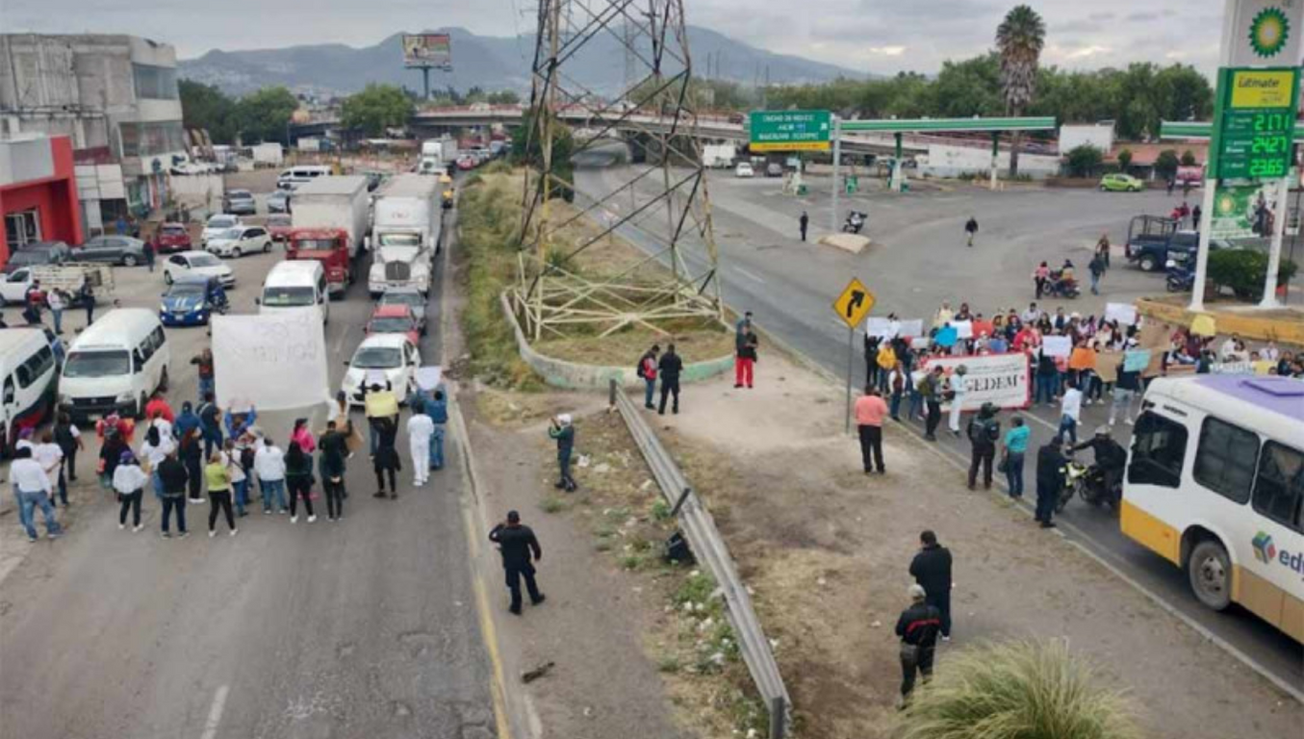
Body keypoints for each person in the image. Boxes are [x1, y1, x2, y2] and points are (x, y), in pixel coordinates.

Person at [489, 510, 545, 615]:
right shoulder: (526, 531)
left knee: (514, 585)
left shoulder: (503, 534)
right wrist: (537, 556)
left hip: (510, 563)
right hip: (524, 561)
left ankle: (516, 606)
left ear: (508, 521)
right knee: (530, 579)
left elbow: (491, 536)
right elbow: (535, 546)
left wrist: (500, 525)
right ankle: (535, 597)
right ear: (519, 520)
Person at [895, 583, 941, 703]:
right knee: (927, 676)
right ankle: (929, 702)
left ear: (912, 597)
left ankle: (908, 704)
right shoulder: (935, 612)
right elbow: (938, 628)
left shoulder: (908, 614)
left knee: (909, 678)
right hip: (928, 649)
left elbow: (899, 631)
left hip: (910, 649)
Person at [10, 447, 62, 542]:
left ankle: (32, 535)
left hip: (25, 492)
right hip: (38, 491)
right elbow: (43, 479)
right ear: (29, 454)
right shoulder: (36, 465)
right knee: (47, 511)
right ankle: (52, 531)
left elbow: (13, 480)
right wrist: (49, 490)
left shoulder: (14, 465)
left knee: (28, 515)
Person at [909, 530, 953, 641]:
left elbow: (913, 570)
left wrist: (920, 554)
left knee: (928, 613)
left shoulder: (921, 558)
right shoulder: (945, 553)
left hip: (928, 590)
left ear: (923, 542)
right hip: (944, 588)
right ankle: (945, 633)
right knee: (944, 610)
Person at [1072, 426, 1127, 503]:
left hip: (1112, 467)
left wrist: (1106, 461)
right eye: (1098, 435)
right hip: (1101, 464)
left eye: (1101, 435)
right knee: (1089, 474)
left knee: (1108, 486)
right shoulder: (1095, 441)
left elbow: (1116, 459)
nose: (1098, 437)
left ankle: (1111, 500)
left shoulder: (1113, 445)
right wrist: (1073, 448)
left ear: (1107, 436)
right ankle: (1093, 491)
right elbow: (1085, 444)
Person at [319, 420, 350, 521]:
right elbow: (342, 467)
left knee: (329, 497)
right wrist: (338, 476)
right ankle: (339, 515)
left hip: (328, 479)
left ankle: (331, 516)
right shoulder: (339, 455)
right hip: (338, 476)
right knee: (338, 496)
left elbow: (322, 470)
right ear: (335, 426)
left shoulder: (323, 456)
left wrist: (329, 478)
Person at [966, 402, 1000, 491]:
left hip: (976, 444)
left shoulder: (974, 418)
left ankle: (971, 483)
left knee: (975, 464)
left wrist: (973, 440)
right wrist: (997, 427)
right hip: (987, 445)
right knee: (988, 465)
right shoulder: (992, 423)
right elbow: (995, 436)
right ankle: (987, 483)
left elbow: (968, 431)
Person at [1035, 435, 1068, 528]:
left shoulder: (1042, 450)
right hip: (1051, 482)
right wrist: (1063, 482)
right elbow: (1061, 472)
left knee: (1040, 498)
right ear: (1060, 445)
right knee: (1049, 501)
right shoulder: (1059, 458)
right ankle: (1045, 520)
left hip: (1040, 477)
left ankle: (1038, 515)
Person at [854, 386, 888, 474]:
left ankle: (867, 466)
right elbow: (885, 411)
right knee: (877, 447)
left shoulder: (859, 400)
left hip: (863, 426)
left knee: (865, 447)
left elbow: (856, 413)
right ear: (873, 391)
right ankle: (880, 467)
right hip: (875, 426)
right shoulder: (878, 400)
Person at [113, 451, 148, 533]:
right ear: (130, 459)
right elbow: (143, 479)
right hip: (135, 491)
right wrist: (147, 474)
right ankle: (136, 525)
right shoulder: (135, 468)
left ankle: (122, 523)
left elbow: (115, 481)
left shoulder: (118, 468)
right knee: (136, 507)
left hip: (123, 491)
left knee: (125, 506)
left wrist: (118, 490)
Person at [156, 449, 189, 538]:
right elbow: (185, 477)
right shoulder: (179, 465)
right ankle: (181, 531)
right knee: (180, 512)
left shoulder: (160, 465)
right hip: (178, 490)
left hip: (166, 491)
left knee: (166, 512)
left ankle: (165, 530)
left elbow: (161, 477)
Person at [205, 452, 238, 537]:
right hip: (222, 489)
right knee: (227, 510)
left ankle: (211, 529)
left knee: (214, 510)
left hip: (212, 489)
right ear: (219, 459)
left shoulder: (207, 468)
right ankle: (232, 528)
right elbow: (228, 479)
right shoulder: (221, 468)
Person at [138, 425, 174, 501]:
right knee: (167, 479)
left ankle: (161, 495)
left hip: (153, 466)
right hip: (165, 463)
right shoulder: (164, 439)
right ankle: (168, 492)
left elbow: (142, 454)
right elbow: (172, 448)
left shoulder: (146, 444)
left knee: (157, 482)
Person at [363, 382, 400, 456]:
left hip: (374, 419)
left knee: (373, 437)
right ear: (379, 389)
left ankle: (373, 453)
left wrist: (363, 383)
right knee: (384, 436)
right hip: (383, 419)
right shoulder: (383, 397)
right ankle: (385, 450)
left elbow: (363, 392)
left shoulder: (370, 398)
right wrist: (389, 384)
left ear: (372, 390)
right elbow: (390, 395)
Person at [285, 440, 316, 523]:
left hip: (291, 478)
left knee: (292, 497)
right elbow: (309, 468)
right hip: (303, 478)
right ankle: (310, 515)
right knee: (306, 497)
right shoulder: (306, 457)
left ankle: (293, 516)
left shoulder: (286, 457)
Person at [33, 430, 66, 508]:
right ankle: (64, 500)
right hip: (56, 469)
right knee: (61, 484)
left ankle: (52, 503)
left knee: (48, 487)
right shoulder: (55, 447)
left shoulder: (38, 448)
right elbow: (59, 458)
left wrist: (43, 467)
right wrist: (52, 467)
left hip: (43, 470)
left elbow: (36, 459)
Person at [254, 438, 287, 514]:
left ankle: (267, 508)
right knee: (279, 490)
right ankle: (282, 507)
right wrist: (284, 470)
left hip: (265, 475)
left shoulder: (259, 451)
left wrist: (258, 472)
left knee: (266, 491)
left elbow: (256, 463)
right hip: (277, 474)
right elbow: (282, 462)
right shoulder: (277, 450)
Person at [372, 417, 401, 499]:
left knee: (379, 472)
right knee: (391, 472)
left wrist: (374, 416)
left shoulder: (382, 430)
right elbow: (397, 420)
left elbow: (373, 423)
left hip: (381, 452)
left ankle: (382, 490)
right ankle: (393, 491)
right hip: (391, 452)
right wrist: (397, 413)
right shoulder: (394, 429)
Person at [407, 400, 435, 486]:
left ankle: (418, 477)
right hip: (425, 440)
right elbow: (431, 430)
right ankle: (425, 475)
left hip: (415, 440)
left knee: (416, 458)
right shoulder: (429, 419)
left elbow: (408, 430)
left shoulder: (412, 420)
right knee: (425, 457)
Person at [1001, 416, 1030, 499]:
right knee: (1019, 474)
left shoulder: (1012, 432)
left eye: (1012, 422)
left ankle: (1012, 492)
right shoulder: (1026, 429)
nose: (1010, 424)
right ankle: (1019, 491)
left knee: (1010, 474)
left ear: (1015, 424)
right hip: (1021, 453)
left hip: (1012, 454)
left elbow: (1005, 445)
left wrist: (1003, 454)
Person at [548, 414, 578, 492]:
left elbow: (553, 435)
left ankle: (572, 484)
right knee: (562, 467)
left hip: (565, 451)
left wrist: (550, 427)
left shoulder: (566, 431)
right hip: (565, 450)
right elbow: (559, 430)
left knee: (564, 468)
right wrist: (555, 423)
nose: (560, 422)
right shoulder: (569, 428)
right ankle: (563, 482)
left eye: (561, 421)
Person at [220, 439, 249, 518]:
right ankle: (241, 510)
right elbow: (245, 463)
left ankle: (230, 511)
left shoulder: (220, 454)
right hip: (238, 475)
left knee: (228, 495)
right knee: (239, 494)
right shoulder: (239, 453)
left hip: (227, 477)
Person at [53, 412, 82, 487]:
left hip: (60, 448)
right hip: (71, 446)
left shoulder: (55, 427)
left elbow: (54, 437)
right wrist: (81, 445)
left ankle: (60, 475)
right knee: (71, 461)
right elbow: (77, 437)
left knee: (61, 462)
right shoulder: (71, 427)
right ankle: (71, 475)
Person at [1109, 357, 1140, 426]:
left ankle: (1127, 418)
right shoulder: (1121, 367)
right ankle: (1112, 418)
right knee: (1116, 403)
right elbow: (1117, 368)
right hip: (1120, 388)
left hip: (1130, 388)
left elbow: (1138, 375)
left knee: (1128, 404)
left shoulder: (1134, 368)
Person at [919, 366, 945, 441]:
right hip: (934, 400)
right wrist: (946, 391)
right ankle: (930, 432)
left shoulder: (929, 376)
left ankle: (928, 432)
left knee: (930, 416)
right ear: (938, 371)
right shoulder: (935, 380)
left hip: (928, 398)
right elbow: (937, 391)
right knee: (936, 416)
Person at [179, 428, 204, 504]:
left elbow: (181, 453)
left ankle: (192, 495)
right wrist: (200, 450)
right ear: (192, 434)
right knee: (196, 479)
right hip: (194, 462)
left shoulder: (183, 441)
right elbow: (195, 453)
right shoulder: (194, 442)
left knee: (192, 479)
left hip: (188, 462)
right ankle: (195, 496)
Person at [658, 343, 683, 415]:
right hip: (674, 378)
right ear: (674, 349)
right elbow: (680, 368)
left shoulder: (663, 357)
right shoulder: (677, 358)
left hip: (665, 378)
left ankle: (661, 410)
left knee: (664, 395)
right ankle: (675, 409)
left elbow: (660, 366)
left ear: (668, 349)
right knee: (675, 395)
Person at [426, 389, 449, 470]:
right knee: (440, 446)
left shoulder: (430, 405)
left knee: (431, 445)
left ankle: (434, 462)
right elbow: (446, 418)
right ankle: (441, 462)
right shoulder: (443, 405)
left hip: (432, 426)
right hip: (440, 426)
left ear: (434, 397)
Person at [946, 364, 968, 436]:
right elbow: (956, 389)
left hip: (960, 396)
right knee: (955, 412)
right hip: (954, 396)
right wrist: (966, 389)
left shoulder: (963, 377)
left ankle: (953, 426)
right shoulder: (953, 377)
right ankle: (954, 428)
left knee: (956, 412)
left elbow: (966, 382)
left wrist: (968, 384)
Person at [1059, 380, 1083, 444]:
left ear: (1068, 385)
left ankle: (1059, 441)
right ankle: (1073, 440)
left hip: (1068, 415)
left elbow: (1067, 405)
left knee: (1061, 430)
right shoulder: (1077, 393)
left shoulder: (1069, 394)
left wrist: (1062, 401)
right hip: (1074, 415)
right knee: (1072, 430)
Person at [638, 344, 660, 409]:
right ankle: (648, 403)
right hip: (649, 375)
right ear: (654, 351)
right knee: (650, 389)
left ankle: (648, 402)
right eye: (657, 352)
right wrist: (658, 366)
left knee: (649, 389)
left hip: (647, 374)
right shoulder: (650, 357)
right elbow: (652, 367)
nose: (657, 354)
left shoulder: (647, 355)